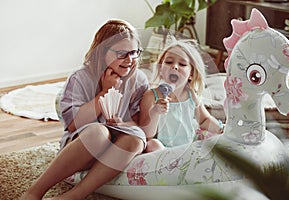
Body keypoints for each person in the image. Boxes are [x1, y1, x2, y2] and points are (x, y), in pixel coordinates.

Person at [20, 19, 149, 200]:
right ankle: (33, 193)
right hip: (82, 148)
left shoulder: (139, 80)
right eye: (122, 53)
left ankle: (73, 196)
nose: (130, 60)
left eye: (134, 52)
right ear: (102, 51)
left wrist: (124, 123)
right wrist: (104, 92)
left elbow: (139, 123)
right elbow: (73, 124)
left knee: (135, 140)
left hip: (115, 153)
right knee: (98, 132)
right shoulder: (81, 77)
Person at [139, 39, 224, 153]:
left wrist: (222, 129)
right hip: (161, 150)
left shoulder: (191, 95)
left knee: (210, 143)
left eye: (182, 64)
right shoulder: (151, 96)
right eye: (169, 62)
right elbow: (146, 135)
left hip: (186, 147)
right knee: (152, 144)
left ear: (191, 74)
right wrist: (155, 112)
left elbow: (204, 120)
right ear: (160, 69)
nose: (174, 67)